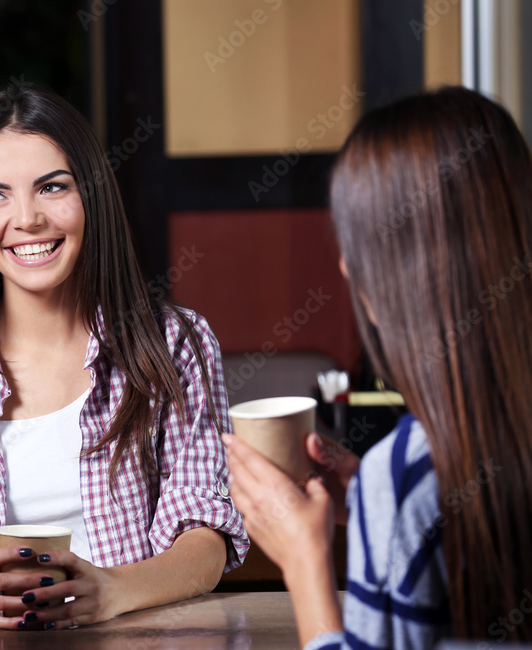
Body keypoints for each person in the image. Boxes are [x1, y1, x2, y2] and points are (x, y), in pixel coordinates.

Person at [0, 87, 247, 630]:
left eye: (52, 187)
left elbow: (204, 538)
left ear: (92, 194)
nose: (27, 219)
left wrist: (113, 590)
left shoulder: (175, 344)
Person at [226, 86, 532, 647]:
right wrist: (374, 503)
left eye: (358, 244)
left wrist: (305, 560)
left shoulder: (409, 473)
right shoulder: (413, 475)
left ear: (398, 269)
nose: (346, 266)